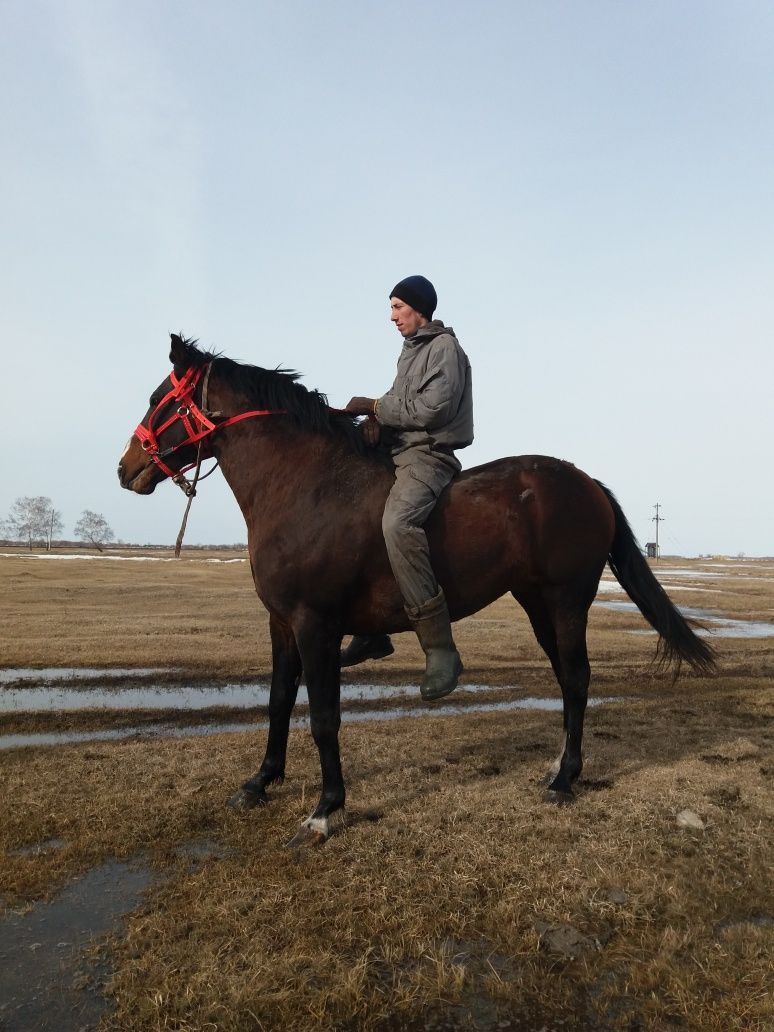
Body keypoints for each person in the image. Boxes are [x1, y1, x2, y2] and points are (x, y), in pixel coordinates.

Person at [343, 275, 474, 701]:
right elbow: (399, 403)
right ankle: (372, 631)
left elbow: (434, 408)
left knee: (399, 523)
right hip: (398, 450)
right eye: (392, 307)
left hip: (429, 456)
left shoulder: (444, 349)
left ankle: (440, 649)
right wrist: (374, 423)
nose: (392, 315)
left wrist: (377, 406)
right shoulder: (410, 352)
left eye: (398, 306)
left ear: (420, 308)